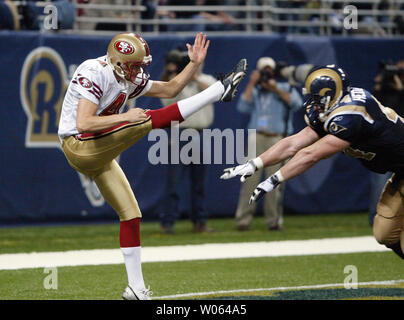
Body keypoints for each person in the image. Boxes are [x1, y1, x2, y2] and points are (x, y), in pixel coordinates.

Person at [57, 31, 247, 300]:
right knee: (145, 119)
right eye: (134, 65)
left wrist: (193, 64)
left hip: (97, 150)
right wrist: (124, 119)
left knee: (131, 215)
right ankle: (219, 90)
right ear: (118, 62)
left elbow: (170, 89)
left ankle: (135, 289)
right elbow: (84, 123)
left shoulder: (125, 76)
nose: (138, 71)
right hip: (79, 146)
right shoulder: (94, 71)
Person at [221, 64, 404, 261]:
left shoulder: (351, 113)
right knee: (384, 233)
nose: (312, 104)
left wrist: (273, 179)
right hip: (399, 171)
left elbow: (311, 154)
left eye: (316, 99)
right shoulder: (334, 106)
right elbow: (293, 143)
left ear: (331, 95)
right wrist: (254, 164)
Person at [233, 57, 302, 232]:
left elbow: (296, 104)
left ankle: (274, 221)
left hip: (278, 138)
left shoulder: (284, 87)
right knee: (249, 178)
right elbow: (242, 106)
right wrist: (251, 83)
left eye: (269, 70)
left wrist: (275, 88)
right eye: (263, 70)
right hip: (257, 136)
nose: (266, 73)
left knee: (276, 180)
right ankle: (243, 219)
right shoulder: (256, 90)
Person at [159, 49, 217, 234]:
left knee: (199, 182)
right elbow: (165, 101)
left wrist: (195, 78)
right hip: (180, 134)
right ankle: (168, 222)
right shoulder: (176, 83)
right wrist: (178, 77)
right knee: (173, 182)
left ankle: (200, 221)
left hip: (201, 133)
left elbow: (217, 94)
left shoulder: (207, 79)